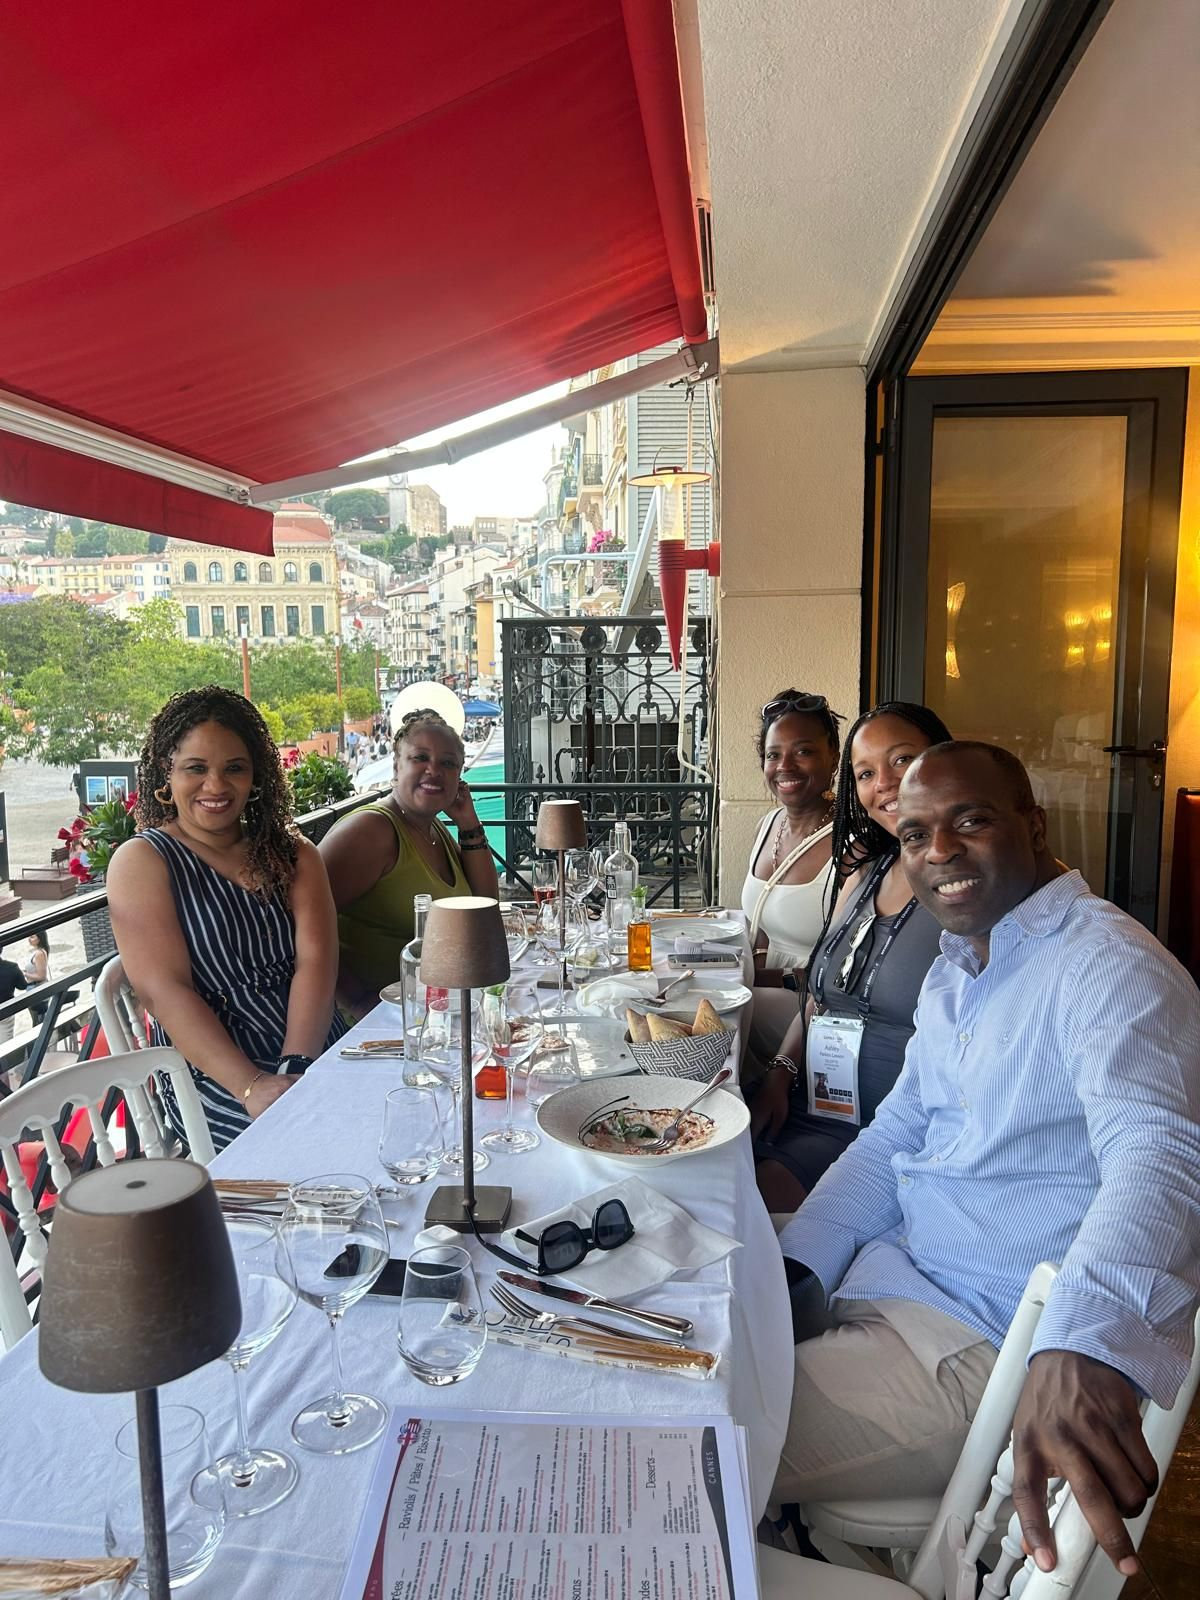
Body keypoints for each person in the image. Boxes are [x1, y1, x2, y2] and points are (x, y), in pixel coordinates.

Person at [773, 740, 1200, 1579]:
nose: (939, 854)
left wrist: (1082, 1341)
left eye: (971, 822)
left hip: (975, 1344)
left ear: (1033, 827)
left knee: (689, 1423)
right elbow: (895, 1138)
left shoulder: (1108, 967)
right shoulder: (963, 965)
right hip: (894, 1275)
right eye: (915, 833)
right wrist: (795, 1270)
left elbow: (1164, 1155)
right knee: (682, 1292)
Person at [107, 686, 345, 1154]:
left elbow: (316, 961)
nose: (215, 786)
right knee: (314, 1150)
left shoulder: (293, 853)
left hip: (311, 1037)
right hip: (215, 1066)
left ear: (256, 777)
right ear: (166, 775)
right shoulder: (143, 862)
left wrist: (296, 1064)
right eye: (196, 768)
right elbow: (164, 992)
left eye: (233, 768)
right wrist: (253, 1086)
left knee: (392, 1118)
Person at [752, 703, 952, 1211]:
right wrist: (780, 1072)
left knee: (745, 1210)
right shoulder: (866, 870)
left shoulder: (968, 886)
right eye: (866, 773)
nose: (885, 783)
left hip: (890, 1129)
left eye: (902, 760)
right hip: (816, 1101)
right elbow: (821, 993)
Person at [319, 709, 500, 1017]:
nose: (434, 770)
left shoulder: (433, 828)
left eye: (448, 763)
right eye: (420, 758)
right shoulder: (371, 831)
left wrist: (469, 823)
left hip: (433, 1013)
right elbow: (296, 921)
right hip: (373, 1024)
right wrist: (355, 1000)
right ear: (396, 766)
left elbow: (485, 906)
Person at [742, 690, 842, 1064]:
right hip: (765, 987)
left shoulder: (852, 843)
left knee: (722, 1015)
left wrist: (760, 979)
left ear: (833, 756)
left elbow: (850, 967)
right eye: (773, 754)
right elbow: (762, 927)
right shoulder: (768, 825)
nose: (785, 765)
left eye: (803, 751)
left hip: (819, 1006)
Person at [19, 930, 52, 1023]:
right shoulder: (38, 952)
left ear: (39, 939)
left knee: (38, 1021)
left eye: (32, 937)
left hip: (37, 989)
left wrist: (24, 974)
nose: (29, 939)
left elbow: (42, 976)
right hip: (34, 988)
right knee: (37, 1020)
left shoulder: (39, 954)